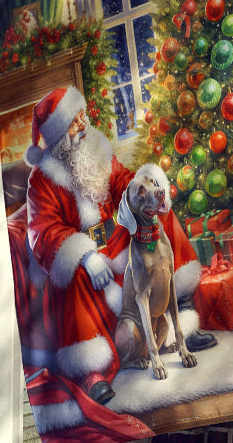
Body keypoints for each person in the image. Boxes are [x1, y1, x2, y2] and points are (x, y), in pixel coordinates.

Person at [23, 85, 206, 406]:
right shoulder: (41, 182)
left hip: (116, 243)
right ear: (56, 137)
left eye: (82, 116)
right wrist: (84, 254)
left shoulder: (97, 150)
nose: (83, 125)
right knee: (73, 272)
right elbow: (44, 233)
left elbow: (124, 183)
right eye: (73, 122)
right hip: (86, 258)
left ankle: (182, 315)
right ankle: (92, 371)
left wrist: (147, 189)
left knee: (158, 213)